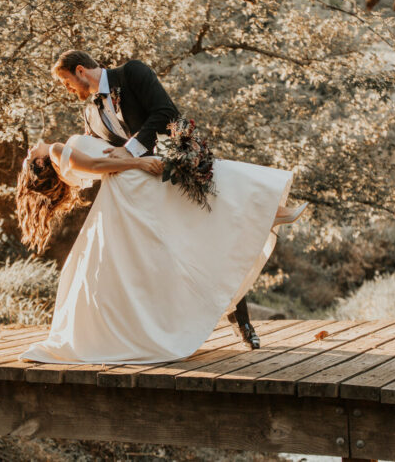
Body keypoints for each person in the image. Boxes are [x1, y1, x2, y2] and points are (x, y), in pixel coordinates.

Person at [14, 125, 307, 366]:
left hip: (131, 182)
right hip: (134, 179)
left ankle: (264, 214)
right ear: (41, 164)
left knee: (197, 211)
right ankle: (264, 212)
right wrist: (137, 161)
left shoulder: (64, 153)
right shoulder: (54, 150)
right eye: (29, 158)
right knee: (206, 196)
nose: (29, 150)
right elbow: (95, 164)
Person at [47, 50, 266, 348]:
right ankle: (166, 334)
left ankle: (241, 323)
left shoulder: (132, 73)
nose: (67, 88)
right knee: (159, 268)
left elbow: (166, 113)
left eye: (66, 81)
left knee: (209, 247)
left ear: (81, 71)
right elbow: (101, 157)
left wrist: (132, 149)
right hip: (140, 203)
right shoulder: (90, 114)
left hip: (174, 182)